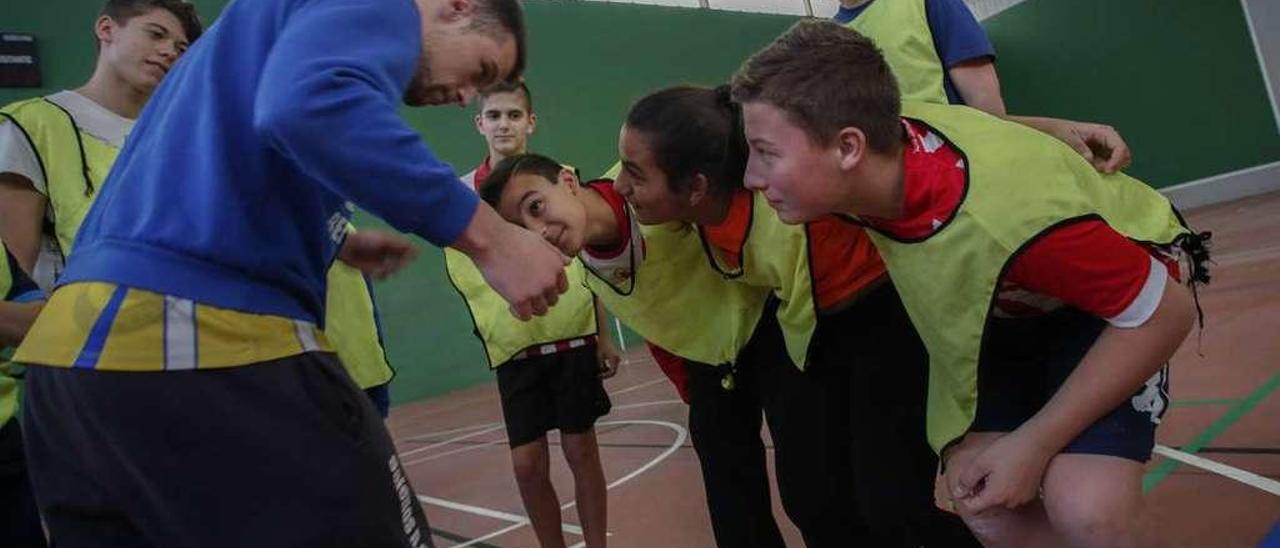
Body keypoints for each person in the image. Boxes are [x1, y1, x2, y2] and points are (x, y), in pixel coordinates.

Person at [12, 0, 569, 545]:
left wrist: (336, 241)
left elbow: (246, 152)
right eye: (481, 71)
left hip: (68, 367)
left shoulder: (249, 46)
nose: (466, 95)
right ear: (455, 7)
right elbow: (307, 103)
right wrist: (493, 239)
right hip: (194, 338)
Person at [731, 20, 1208, 547]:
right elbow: (943, 114)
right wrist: (1050, 124)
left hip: (1109, 309)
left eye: (766, 152)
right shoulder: (875, 147)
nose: (752, 176)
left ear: (848, 148)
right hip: (1004, 310)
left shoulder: (1006, 218)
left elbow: (1164, 313)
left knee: (1088, 510)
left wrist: (1033, 443)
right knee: (986, 502)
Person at [480, 154, 787, 547]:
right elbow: (661, 326)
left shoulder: (647, 179)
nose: (537, 232)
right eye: (521, 231)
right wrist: (692, 386)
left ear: (569, 181)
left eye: (536, 207)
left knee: (811, 489)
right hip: (711, 362)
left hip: (773, 325)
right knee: (732, 502)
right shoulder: (596, 276)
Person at [447, 82, 618, 548]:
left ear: (530, 122)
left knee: (581, 449)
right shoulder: (460, 195)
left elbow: (589, 258)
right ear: (479, 123)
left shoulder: (559, 179)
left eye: (513, 115)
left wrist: (603, 334)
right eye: (495, 115)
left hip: (571, 335)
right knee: (527, 465)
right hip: (513, 346)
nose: (504, 124)